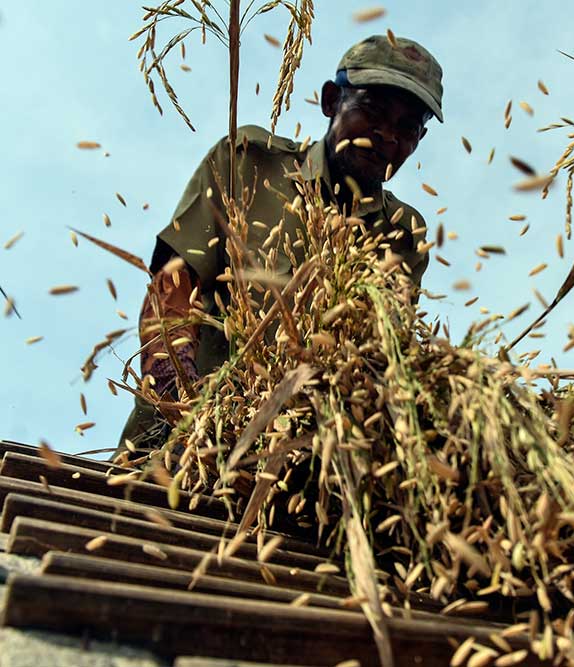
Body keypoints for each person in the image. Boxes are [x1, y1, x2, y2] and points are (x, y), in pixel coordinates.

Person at [115, 34, 443, 460]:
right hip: (182, 451)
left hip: (299, 476)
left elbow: (380, 363)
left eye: (407, 127)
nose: (386, 136)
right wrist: (178, 391)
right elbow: (174, 284)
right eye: (372, 111)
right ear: (331, 101)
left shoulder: (403, 235)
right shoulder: (249, 161)